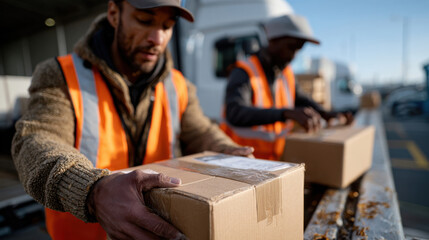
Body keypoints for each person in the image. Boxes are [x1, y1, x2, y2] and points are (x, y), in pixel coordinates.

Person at [11, 0, 253, 239]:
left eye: (167, 26)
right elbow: (36, 140)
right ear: (114, 14)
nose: (157, 39)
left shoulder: (179, 85)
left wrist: (227, 150)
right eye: (145, 21)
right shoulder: (61, 75)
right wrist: (93, 191)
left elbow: (200, 131)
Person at [221, 14, 353, 160]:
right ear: (273, 40)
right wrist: (284, 113)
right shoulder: (243, 72)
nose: (293, 55)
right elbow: (235, 113)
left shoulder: (286, 73)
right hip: (242, 162)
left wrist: (326, 113)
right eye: (291, 47)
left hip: (273, 162)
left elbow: (301, 100)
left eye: (299, 49)